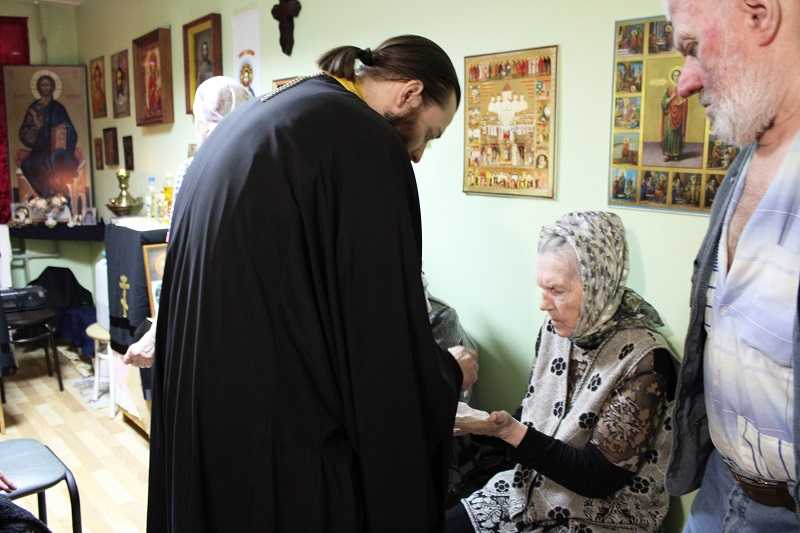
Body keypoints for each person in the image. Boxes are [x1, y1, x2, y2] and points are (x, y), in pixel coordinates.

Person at [147, 35, 478, 532]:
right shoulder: (364, 144)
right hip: (277, 433)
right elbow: (377, 336)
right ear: (409, 94)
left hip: (205, 412)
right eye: (430, 134)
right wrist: (448, 374)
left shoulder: (259, 115)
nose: (418, 154)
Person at [447, 211, 677, 533]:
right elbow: (535, 416)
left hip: (605, 515)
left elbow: (598, 478)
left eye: (556, 290)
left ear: (598, 285)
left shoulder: (646, 361)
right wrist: (485, 425)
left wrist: (506, 431)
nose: (544, 304)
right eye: (542, 288)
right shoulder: (557, 330)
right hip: (531, 490)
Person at [665, 0, 800, 530]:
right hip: (720, 489)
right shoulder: (744, 162)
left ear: (760, 15)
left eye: (692, 48)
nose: (684, 83)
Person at [122, 76, 252, 368]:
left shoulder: (193, 167)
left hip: (207, 286)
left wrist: (158, 329)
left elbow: (178, 245)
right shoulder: (264, 158)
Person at [19, 73, 78, 198]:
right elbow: (25, 131)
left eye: (47, 85)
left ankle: (57, 194)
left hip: (57, 149)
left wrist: (62, 129)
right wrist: (36, 127)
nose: (45, 87)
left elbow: (71, 130)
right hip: (39, 148)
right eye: (42, 85)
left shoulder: (58, 108)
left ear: (52, 87)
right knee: (27, 164)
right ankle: (45, 196)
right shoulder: (34, 108)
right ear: (38, 88)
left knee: (54, 161)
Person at [661, 67, 688, 162]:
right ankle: (668, 155)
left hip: (679, 114)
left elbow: (685, 99)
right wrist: (670, 98)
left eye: (678, 75)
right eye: (675, 75)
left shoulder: (683, 88)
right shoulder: (669, 88)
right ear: (672, 77)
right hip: (670, 114)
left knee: (677, 134)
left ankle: (676, 153)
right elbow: (663, 101)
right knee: (669, 133)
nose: (677, 77)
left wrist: (683, 102)